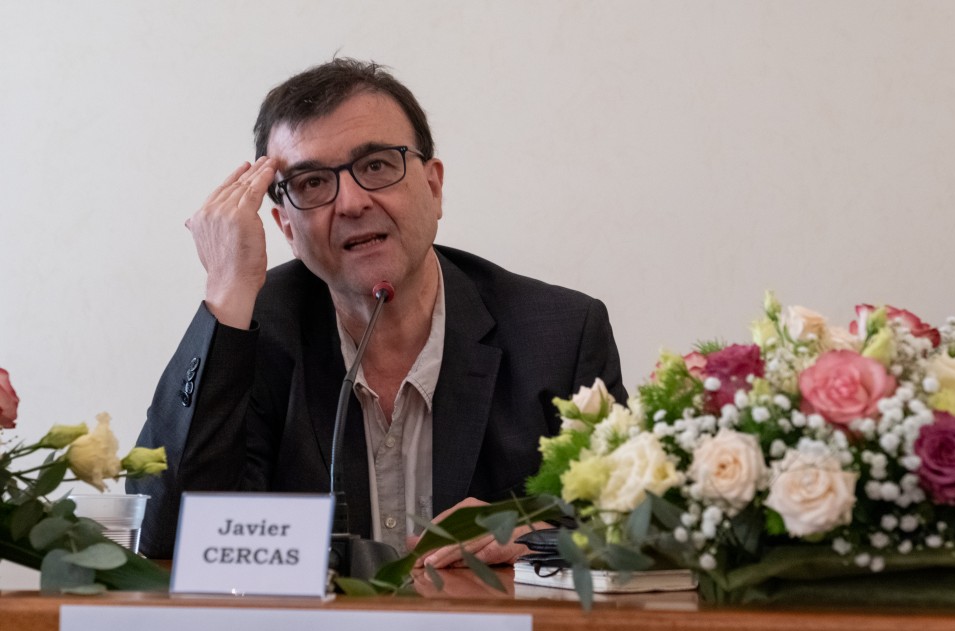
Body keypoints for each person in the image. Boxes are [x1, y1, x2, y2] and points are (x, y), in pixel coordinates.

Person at [128, 58, 626, 566]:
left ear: (433, 188)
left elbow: (633, 532)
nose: (350, 203)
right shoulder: (252, 332)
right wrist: (226, 291)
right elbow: (163, 534)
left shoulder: (560, 336)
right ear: (286, 226)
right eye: (312, 182)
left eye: (376, 166)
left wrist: (541, 537)